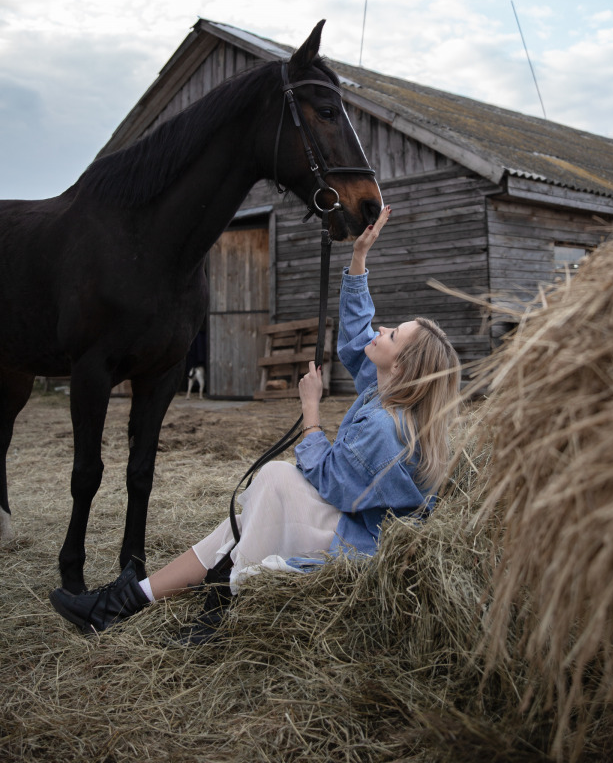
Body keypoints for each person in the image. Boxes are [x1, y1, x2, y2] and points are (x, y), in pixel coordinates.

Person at [49, 206, 460, 641]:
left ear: (400, 367)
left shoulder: (383, 426)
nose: (382, 329)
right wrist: (359, 257)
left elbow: (329, 480)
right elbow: (358, 334)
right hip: (347, 525)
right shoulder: (384, 393)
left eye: (393, 335)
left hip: (356, 547)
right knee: (248, 515)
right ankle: (126, 601)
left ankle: (221, 607)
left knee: (277, 479)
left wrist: (312, 408)